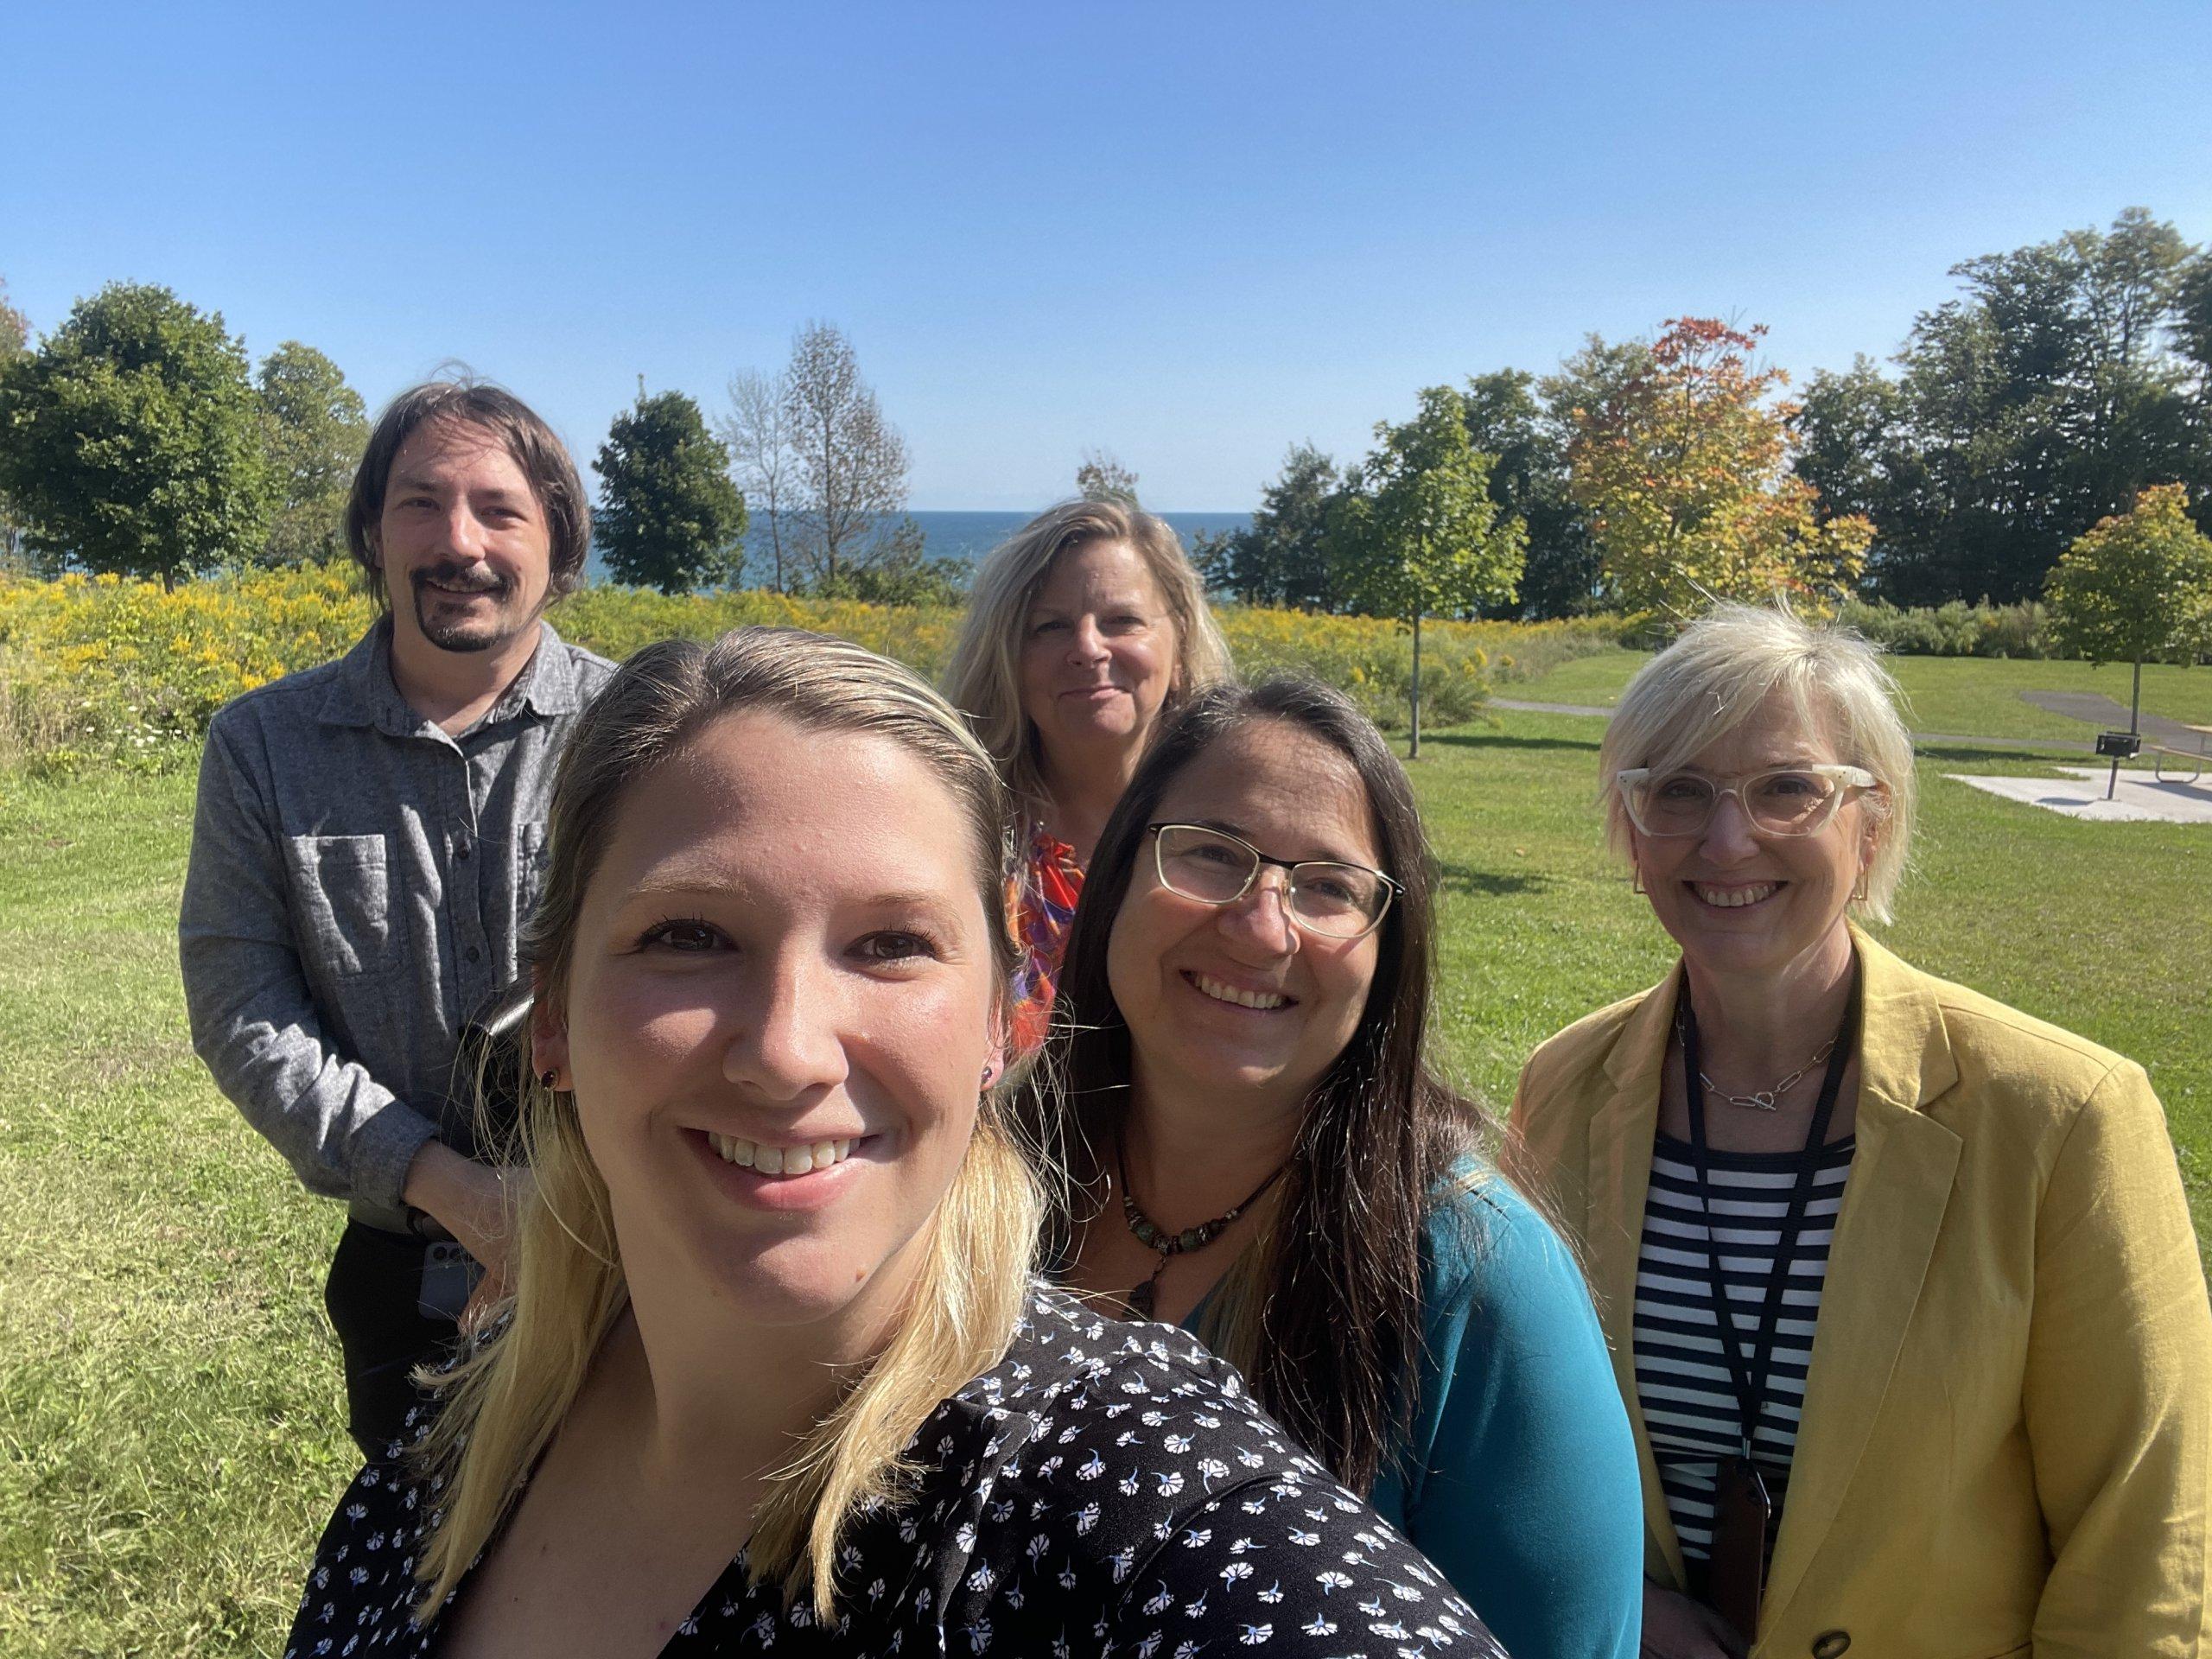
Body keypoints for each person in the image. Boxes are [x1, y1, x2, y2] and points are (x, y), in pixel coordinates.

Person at [281, 628, 1503, 1658]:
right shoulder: (453, 1450)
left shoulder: (1131, 1505)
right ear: (553, 1018)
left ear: (1003, 1022)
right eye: (690, 936)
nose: (789, 1050)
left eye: (891, 945)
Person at [1506, 602, 2212, 1659]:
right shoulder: (1565, 1087)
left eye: (1787, 788)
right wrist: (1628, 1609)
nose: (1726, 838)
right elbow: (1524, 1446)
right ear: (1629, 826)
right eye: (1678, 792)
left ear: (1872, 821)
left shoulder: (2060, 1114)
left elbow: (2145, 1536)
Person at [1033, 675, 1645, 1659]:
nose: (1262, 924)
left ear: (1386, 953)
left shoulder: (1478, 1281)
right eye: (1209, 853)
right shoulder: (975, 1181)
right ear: (1115, 879)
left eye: (1328, 887)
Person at [179, 380, 613, 1456]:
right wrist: (453, 1189)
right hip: (403, 1266)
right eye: (419, 503)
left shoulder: (645, 730)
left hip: (634, 1244)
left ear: (557, 542)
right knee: (425, 1582)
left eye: (500, 509)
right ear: (372, 533)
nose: (456, 540)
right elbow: (246, 1011)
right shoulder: (263, 748)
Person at [944, 499, 1230, 1046]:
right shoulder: (957, 838)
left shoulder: (1239, 839)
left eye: (1122, 620)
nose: (1087, 648)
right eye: (1049, 627)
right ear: (1007, 656)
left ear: (1181, 643)